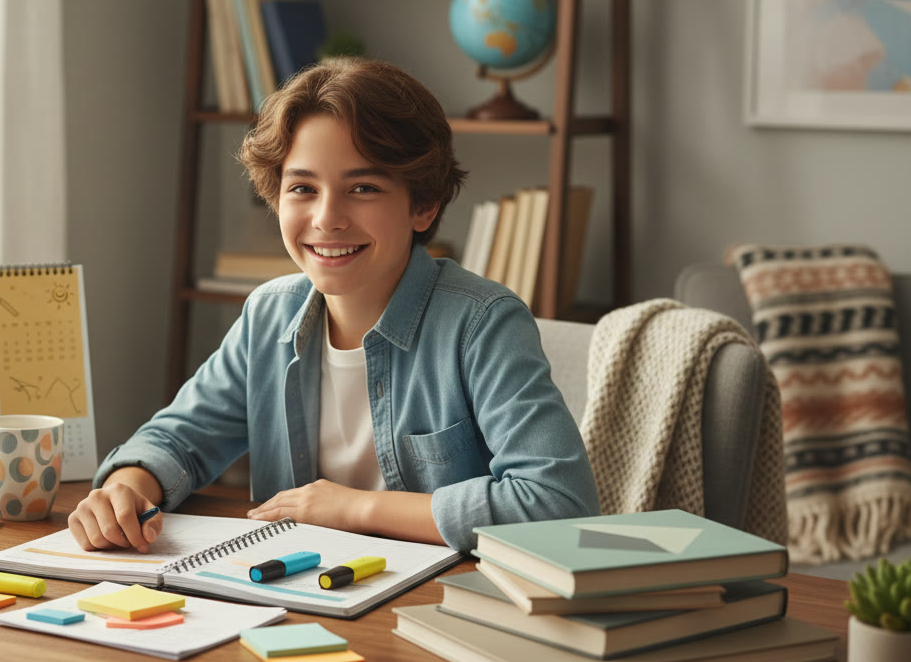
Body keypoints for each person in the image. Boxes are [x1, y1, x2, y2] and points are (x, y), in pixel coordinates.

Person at [69, 57, 598, 554]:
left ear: (424, 204)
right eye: (302, 188)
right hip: (298, 591)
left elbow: (558, 504)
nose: (327, 218)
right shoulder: (268, 315)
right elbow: (178, 439)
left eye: (363, 187)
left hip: (438, 611)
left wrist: (358, 508)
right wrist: (127, 486)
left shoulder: (483, 323)